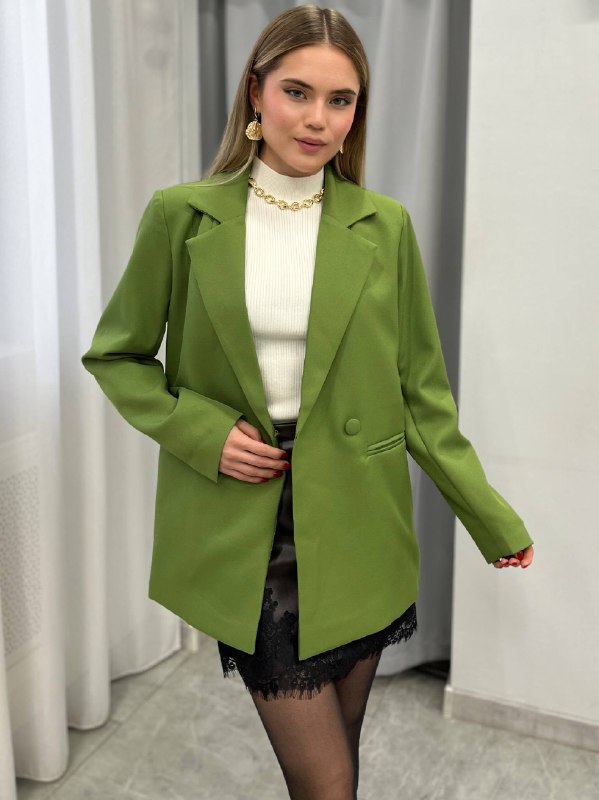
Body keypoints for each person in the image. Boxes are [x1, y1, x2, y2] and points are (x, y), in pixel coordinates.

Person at [82, 5, 535, 798]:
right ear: (255, 92)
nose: (317, 119)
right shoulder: (180, 215)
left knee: (338, 763)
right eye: (297, 91)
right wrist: (201, 431)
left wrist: (489, 517)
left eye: (340, 99)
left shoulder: (384, 227)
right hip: (244, 517)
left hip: (360, 522)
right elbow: (115, 355)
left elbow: (422, 396)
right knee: (325, 780)